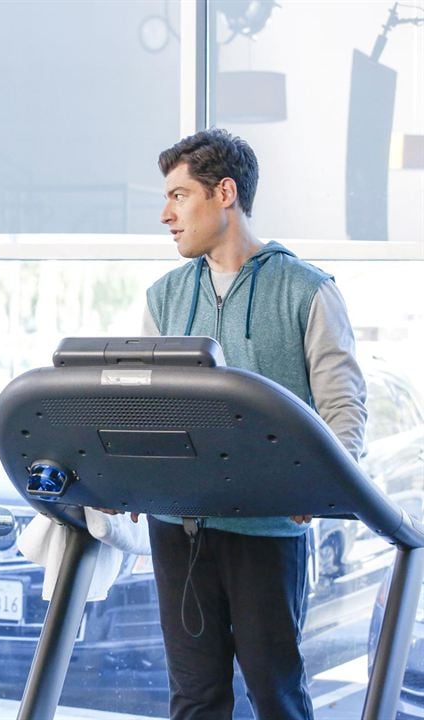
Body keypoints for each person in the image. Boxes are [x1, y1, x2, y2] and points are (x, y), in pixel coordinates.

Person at [142, 128, 367, 719]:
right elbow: (140, 404)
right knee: (195, 698)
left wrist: (323, 490)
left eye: (178, 196)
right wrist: (127, 477)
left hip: (268, 526)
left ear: (224, 193)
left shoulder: (306, 290)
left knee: (276, 694)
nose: (165, 214)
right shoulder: (165, 295)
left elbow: (343, 407)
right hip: (180, 525)